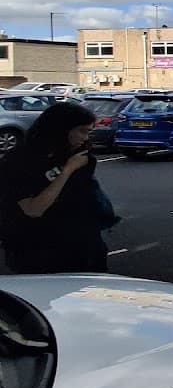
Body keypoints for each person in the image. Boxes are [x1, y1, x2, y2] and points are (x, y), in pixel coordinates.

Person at [0, 102, 119, 274]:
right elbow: (34, 209)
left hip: (83, 245)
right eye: (81, 131)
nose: (85, 138)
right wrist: (67, 170)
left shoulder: (81, 158)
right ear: (62, 129)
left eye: (89, 132)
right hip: (35, 248)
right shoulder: (18, 162)